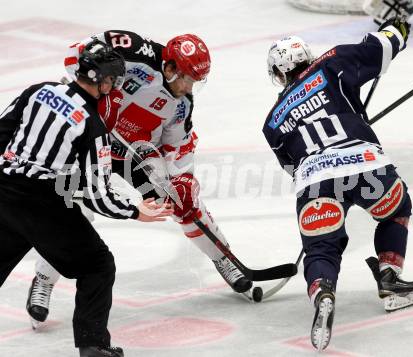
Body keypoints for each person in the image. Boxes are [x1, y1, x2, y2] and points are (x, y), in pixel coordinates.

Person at [25, 30, 253, 328]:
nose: (188, 87)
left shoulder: (182, 105)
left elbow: (176, 146)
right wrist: (101, 80)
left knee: (180, 202)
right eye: (185, 77)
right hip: (92, 141)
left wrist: (183, 179)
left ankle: (223, 257)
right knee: (74, 211)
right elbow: (76, 54)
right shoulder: (135, 51)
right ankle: (44, 279)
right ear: (169, 66)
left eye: (195, 81)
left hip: (138, 153)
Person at [0, 40, 173, 357]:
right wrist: (136, 211)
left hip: (3, 189)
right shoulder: (92, 126)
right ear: (104, 81)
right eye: (112, 82)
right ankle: (93, 346)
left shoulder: (38, 91)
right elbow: (98, 195)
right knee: (97, 265)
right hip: (43, 204)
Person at [263, 18, 413, 351]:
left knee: (321, 248)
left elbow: (292, 166)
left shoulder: (273, 120)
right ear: (307, 56)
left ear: (278, 75)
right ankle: (390, 276)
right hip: (364, 166)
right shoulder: (332, 62)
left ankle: (322, 290)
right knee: (397, 209)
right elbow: (381, 46)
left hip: (314, 179)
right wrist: (398, 29)